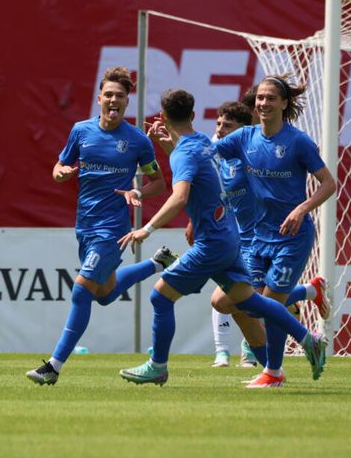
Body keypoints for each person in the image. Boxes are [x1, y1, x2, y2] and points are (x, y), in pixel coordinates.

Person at [116, 88, 327, 387]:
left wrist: (146, 228)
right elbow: (203, 171)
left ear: (163, 117)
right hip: (230, 238)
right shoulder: (201, 143)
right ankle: (306, 341)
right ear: (193, 116)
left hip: (216, 243)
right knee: (247, 302)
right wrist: (170, 147)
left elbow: (179, 197)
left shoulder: (191, 152)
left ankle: (158, 365)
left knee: (160, 296)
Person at [26, 67, 175, 386]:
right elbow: (58, 167)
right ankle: (156, 263)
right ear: (99, 98)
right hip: (85, 226)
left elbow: (159, 183)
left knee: (81, 291)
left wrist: (137, 191)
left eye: (120, 96)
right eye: (108, 94)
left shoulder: (136, 140)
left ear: (126, 102)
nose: (114, 100)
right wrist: (61, 172)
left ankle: (53, 366)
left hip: (112, 229)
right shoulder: (81, 131)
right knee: (104, 293)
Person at [214, 75, 336, 388]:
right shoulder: (244, 137)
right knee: (234, 301)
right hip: (257, 238)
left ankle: (274, 372)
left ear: (284, 103)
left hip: (291, 238)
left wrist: (301, 209)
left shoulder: (297, 142)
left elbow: (328, 183)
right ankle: (310, 298)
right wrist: (172, 142)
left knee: (269, 307)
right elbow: (207, 153)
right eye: (260, 98)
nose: (264, 103)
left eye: (271, 98)